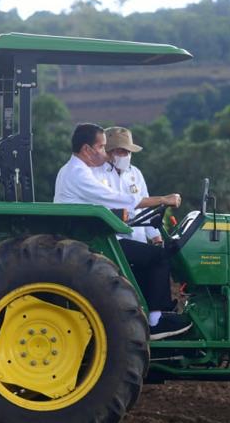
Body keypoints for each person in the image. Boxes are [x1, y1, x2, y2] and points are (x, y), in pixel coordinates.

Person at [54, 123, 192, 340]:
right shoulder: (82, 173)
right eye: (102, 147)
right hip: (97, 242)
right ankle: (156, 322)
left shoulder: (83, 170)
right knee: (159, 258)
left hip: (102, 237)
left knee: (151, 255)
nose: (105, 152)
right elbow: (118, 200)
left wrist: (155, 235)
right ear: (87, 149)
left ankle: (151, 313)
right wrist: (163, 199)